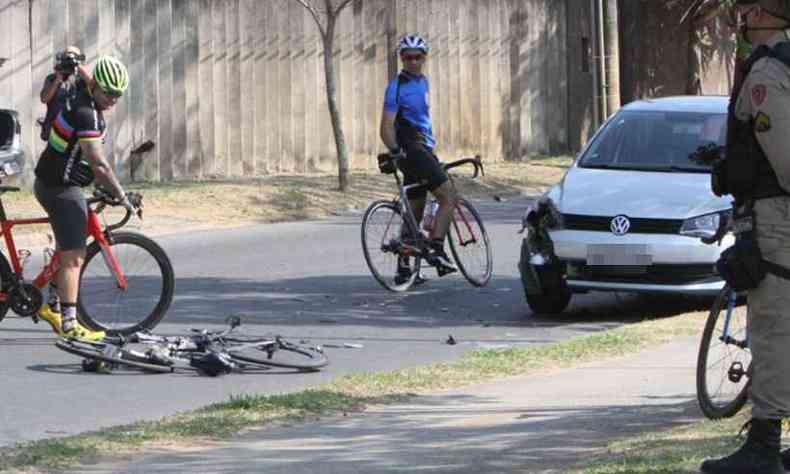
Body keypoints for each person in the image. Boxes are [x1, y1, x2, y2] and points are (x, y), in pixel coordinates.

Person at [700, 1, 790, 473]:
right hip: (775, 213)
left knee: (773, 329)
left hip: (775, 218)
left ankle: (763, 447)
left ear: (761, 14)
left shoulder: (766, 75)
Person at [34, 55, 135, 341]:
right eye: (109, 93)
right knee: (75, 258)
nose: (113, 100)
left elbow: (92, 78)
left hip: (53, 180)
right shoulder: (85, 112)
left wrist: (79, 65)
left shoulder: (89, 91)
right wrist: (121, 194)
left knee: (67, 245)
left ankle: (51, 304)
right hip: (59, 187)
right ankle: (69, 324)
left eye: (119, 95)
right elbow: (98, 162)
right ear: (96, 88)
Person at [379, 34, 457, 283]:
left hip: (423, 149)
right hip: (412, 150)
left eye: (418, 57)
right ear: (401, 58)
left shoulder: (424, 82)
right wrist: (395, 152)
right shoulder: (396, 87)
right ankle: (437, 249)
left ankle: (404, 269)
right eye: (408, 57)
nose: (413, 61)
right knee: (448, 196)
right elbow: (386, 127)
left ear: (424, 58)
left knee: (416, 209)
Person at [39, 46, 92, 142]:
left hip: (76, 131)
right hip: (54, 131)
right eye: (67, 59)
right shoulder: (52, 78)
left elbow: (95, 89)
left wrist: (82, 71)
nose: (69, 64)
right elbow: (44, 98)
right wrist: (57, 79)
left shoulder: (82, 80)